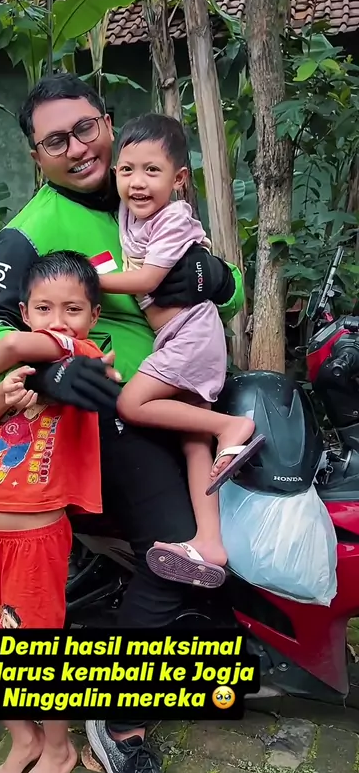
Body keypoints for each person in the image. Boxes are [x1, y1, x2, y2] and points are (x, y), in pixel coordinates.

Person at [0, 73, 246, 773]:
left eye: (86, 128)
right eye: (55, 140)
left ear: (109, 124)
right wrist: (50, 366)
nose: (77, 147)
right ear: (37, 157)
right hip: (100, 409)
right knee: (177, 551)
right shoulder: (30, 229)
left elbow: (225, 290)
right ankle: (119, 723)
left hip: (178, 385)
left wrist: (220, 279)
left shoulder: (146, 193)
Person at [0, 251, 112, 773]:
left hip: (36, 540)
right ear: (24, 310)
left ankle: (59, 749)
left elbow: (30, 349)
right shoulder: (22, 372)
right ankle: (24, 737)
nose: (57, 320)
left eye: (73, 309)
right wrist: (1, 394)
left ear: (93, 317)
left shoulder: (82, 360)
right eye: (43, 308)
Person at [99, 113, 264, 589]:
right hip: (177, 336)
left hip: (191, 333)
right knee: (194, 444)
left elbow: (148, 280)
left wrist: (87, 281)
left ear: (179, 179)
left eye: (152, 171)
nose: (137, 182)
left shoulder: (172, 218)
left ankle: (231, 427)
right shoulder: (129, 212)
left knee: (131, 403)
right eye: (127, 170)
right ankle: (209, 543)